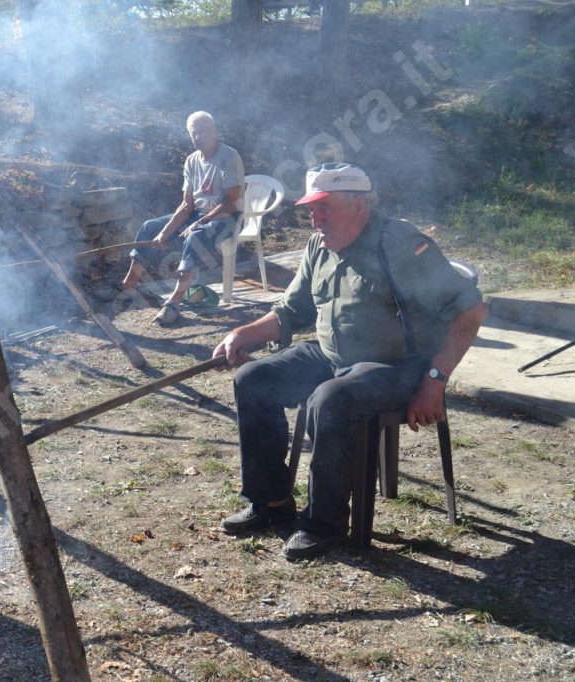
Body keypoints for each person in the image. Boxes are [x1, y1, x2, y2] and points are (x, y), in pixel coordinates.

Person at [212, 162, 488, 561]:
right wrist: (243, 335)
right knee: (254, 379)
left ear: (359, 206)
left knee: (331, 398)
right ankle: (271, 503)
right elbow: (291, 310)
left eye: (324, 207)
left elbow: (471, 313)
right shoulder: (318, 245)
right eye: (311, 207)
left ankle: (325, 524)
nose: (314, 217)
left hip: (399, 366)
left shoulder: (400, 245)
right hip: (332, 355)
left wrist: (434, 380)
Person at [119, 111, 245, 326]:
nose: (198, 136)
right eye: (193, 132)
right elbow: (187, 205)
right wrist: (164, 232)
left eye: (203, 131)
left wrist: (200, 222)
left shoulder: (229, 157)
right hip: (197, 213)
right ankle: (128, 286)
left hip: (227, 217)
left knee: (195, 236)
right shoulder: (191, 161)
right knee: (150, 226)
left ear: (214, 131)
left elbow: (231, 202)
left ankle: (174, 304)